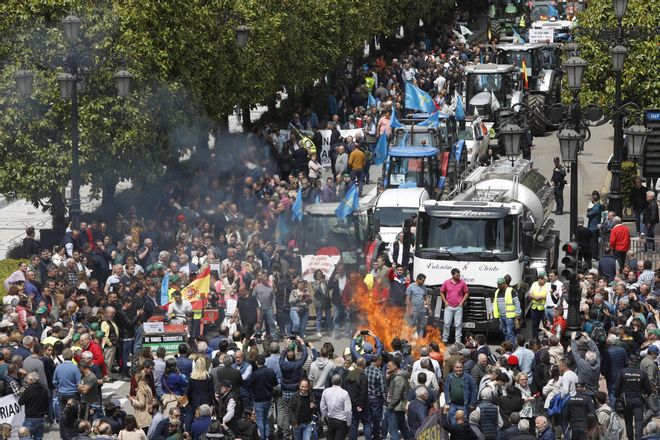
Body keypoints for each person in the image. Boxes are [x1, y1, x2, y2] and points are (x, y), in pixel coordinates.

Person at [614, 354, 652, 440]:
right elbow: (649, 389)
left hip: (626, 400)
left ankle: (630, 437)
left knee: (628, 421)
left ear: (629, 361)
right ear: (637, 362)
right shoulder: (642, 373)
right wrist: (646, 394)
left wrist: (617, 397)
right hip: (638, 400)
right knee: (639, 421)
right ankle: (639, 437)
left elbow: (616, 387)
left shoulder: (622, 372)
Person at [248, 354, 278, 440]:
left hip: (258, 400)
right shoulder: (270, 371)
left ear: (256, 362)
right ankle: (267, 436)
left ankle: (262, 436)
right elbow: (275, 383)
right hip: (268, 398)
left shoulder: (255, 374)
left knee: (260, 419)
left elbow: (249, 385)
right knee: (265, 418)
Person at [439, 268, 469, 344]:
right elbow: (442, 292)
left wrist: (462, 302)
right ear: (452, 275)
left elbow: (467, 292)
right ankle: (445, 339)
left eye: (459, 275)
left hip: (458, 307)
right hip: (449, 306)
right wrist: (445, 301)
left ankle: (458, 341)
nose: (459, 276)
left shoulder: (462, 283)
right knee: (446, 323)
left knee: (458, 324)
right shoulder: (446, 282)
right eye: (457, 275)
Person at [444, 360, 477, 425]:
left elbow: (474, 390)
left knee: (463, 423)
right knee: (453, 425)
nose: (459, 369)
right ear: (454, 368)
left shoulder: (468, 377)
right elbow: (446, 390)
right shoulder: (449, 377)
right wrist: (447, 402)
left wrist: (472, 403)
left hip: (464, 405)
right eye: (457, 367)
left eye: (460, 367)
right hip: (453, 405)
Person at [19, 371, 49, 440]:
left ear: (31, 380)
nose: (26, 381)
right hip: (41, 418)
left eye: (28, 380)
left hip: (30, 418)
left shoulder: (29, 390)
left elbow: (20, 402)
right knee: (38, 437)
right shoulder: (44, 389)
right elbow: (47, 403)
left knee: (25, 437)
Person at [321, 374, 352, 440]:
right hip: (341, 420)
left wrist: (326, 415)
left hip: (331, 419)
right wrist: (349, 421)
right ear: (341, 381)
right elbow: (348, 410)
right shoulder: (345, 393)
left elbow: (322, 406)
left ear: (332, 381)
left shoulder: (326, 391)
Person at [492, 277, 521, 344]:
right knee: (505, 332)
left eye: (499, 284)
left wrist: (518, 313)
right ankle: (507, 346)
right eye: (498, 284)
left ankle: (512, 346)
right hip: (501, 316)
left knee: (509, 332)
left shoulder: (511, 291)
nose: (498, 286)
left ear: (504, 284)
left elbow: (516, 302)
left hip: (509, 316)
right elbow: (495, 303)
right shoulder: (497, 292)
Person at [527, 272, 549, 339]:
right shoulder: (534, 284)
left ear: (545, 279)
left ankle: (546, 340)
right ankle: (535, 341)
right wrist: (535, 297)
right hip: (535, 308)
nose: (540, 279)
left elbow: (550, 296)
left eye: (542, 278)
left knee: (546, 326)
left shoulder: (548, 285)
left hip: (544, 309)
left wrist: (541, 297)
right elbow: (530, 294)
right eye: (539, 278)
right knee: (534, 326)